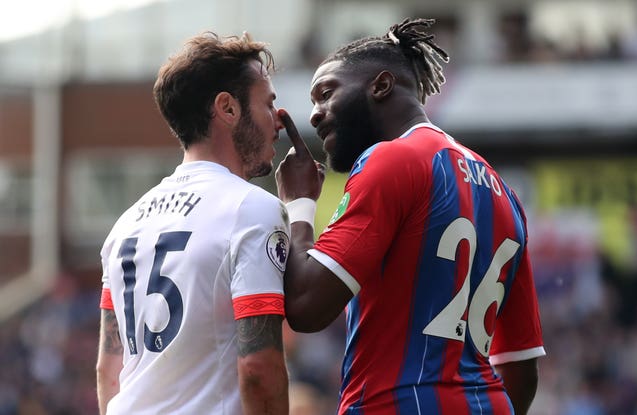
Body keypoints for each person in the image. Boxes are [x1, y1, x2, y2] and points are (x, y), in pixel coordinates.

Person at [275, 18, 546, 415]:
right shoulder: (504, 193)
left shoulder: (391, 159)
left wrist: (298, 204)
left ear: (381, 86)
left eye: (326, 93)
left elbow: (305, 304)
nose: (315, 114)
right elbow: (521, 366)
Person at [96, 31, 290, 414]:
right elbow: (257, 368)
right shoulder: (251, 209)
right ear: (228, 108)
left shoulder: (124, 224)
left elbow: (108, 369)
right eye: (268, 104)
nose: (279, 120)